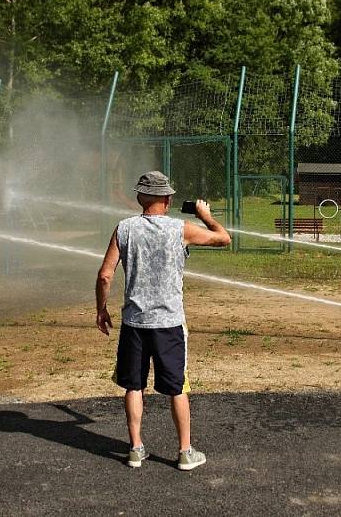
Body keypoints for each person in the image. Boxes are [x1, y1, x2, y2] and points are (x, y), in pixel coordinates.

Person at [95, 171, 231, 469]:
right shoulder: (180, 228)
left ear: (140, 198)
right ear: (168, 200)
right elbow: (224, 239)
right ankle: (184, 453)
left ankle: (135, 448)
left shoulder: (124, 229)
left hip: (134, 323)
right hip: (169, 324)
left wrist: (101, 310)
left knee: (134, 385)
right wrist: (205, 216)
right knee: (177, 387)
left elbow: (105, 275)